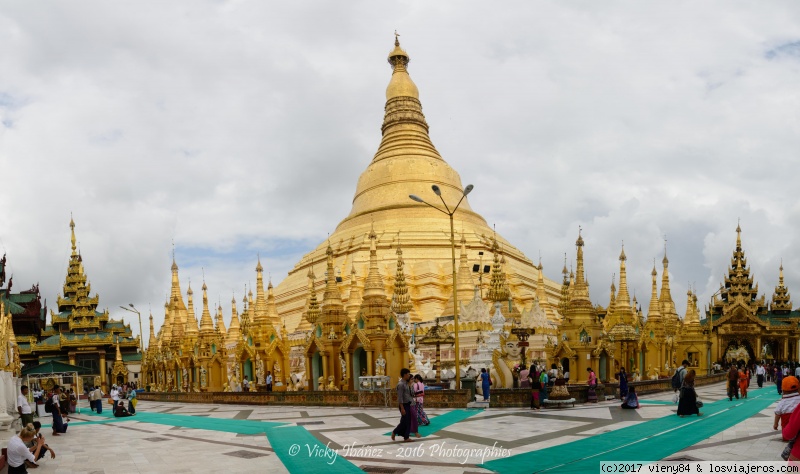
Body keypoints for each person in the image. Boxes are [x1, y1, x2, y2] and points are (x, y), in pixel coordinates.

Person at [391, 368, 413, 442]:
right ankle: (396, 432)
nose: (409, 375)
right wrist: (402, 408)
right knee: (405, 421)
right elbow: (400, 397)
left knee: (407, 421)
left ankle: (405, 436)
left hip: (408, 404)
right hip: (403, 405)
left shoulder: (406, 383)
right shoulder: (400, 384)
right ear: (404, 375)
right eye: (408, 374)